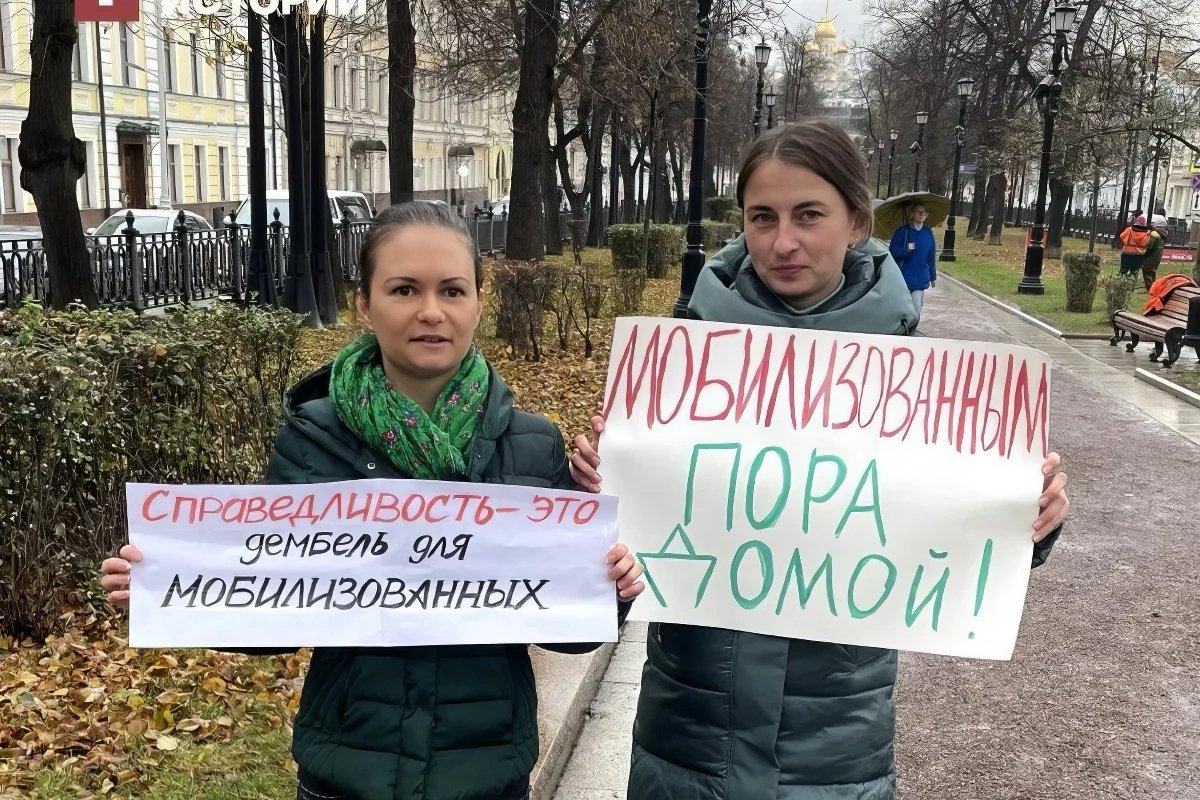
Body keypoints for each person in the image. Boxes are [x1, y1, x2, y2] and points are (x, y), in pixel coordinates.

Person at [567, 120, 1070, 800]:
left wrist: (1028, 518)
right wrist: (597, 498)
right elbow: (617, 566)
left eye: (809, 215)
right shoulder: (673, 370)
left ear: (856, 222)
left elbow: (955, 540)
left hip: (835, 745)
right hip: (688, 735)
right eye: (762, 217)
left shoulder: (922, 379)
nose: (783, 242)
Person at [100, 201, 646, 800]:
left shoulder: (533, 445)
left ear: (480, 302)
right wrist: (169, 586)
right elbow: (272, 610)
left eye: (453, 290)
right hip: (345, 769)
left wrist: (609, 589)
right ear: (365, 303)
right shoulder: (313, 440)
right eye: (404, 289)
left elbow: (565, 631)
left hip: (486, 771)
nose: (431, 312)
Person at [888, 201, 937, 319]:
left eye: (924, 212)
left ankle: (911, 331)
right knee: (901, 309)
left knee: (916, 309)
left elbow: (931, 256)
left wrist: (932, 277)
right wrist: (905, 249)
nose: (921, 214)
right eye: (918, 212)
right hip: (902, 277)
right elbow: (893, 252)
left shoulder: (928, 233)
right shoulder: (902, 232)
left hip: (920, 278)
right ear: (912, 214)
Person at [1118, 214, 1153, 279]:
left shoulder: (1129, 230)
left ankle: (1120, 285)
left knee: (1123, 271)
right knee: (1134, 272)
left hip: (1127, 253)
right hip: (1139, 255)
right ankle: (1131, 285)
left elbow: (1121, 236)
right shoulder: (1147, 233)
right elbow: (1148, 244)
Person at [1142, 217, 1166, 292]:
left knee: (1146, 272)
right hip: (1157, 258)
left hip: (1150, 258)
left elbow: (1149, 246)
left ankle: (1151, 289)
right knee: (1152, 272)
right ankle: (1155, 288)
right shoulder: (1162, 234)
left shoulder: (1153, 234)